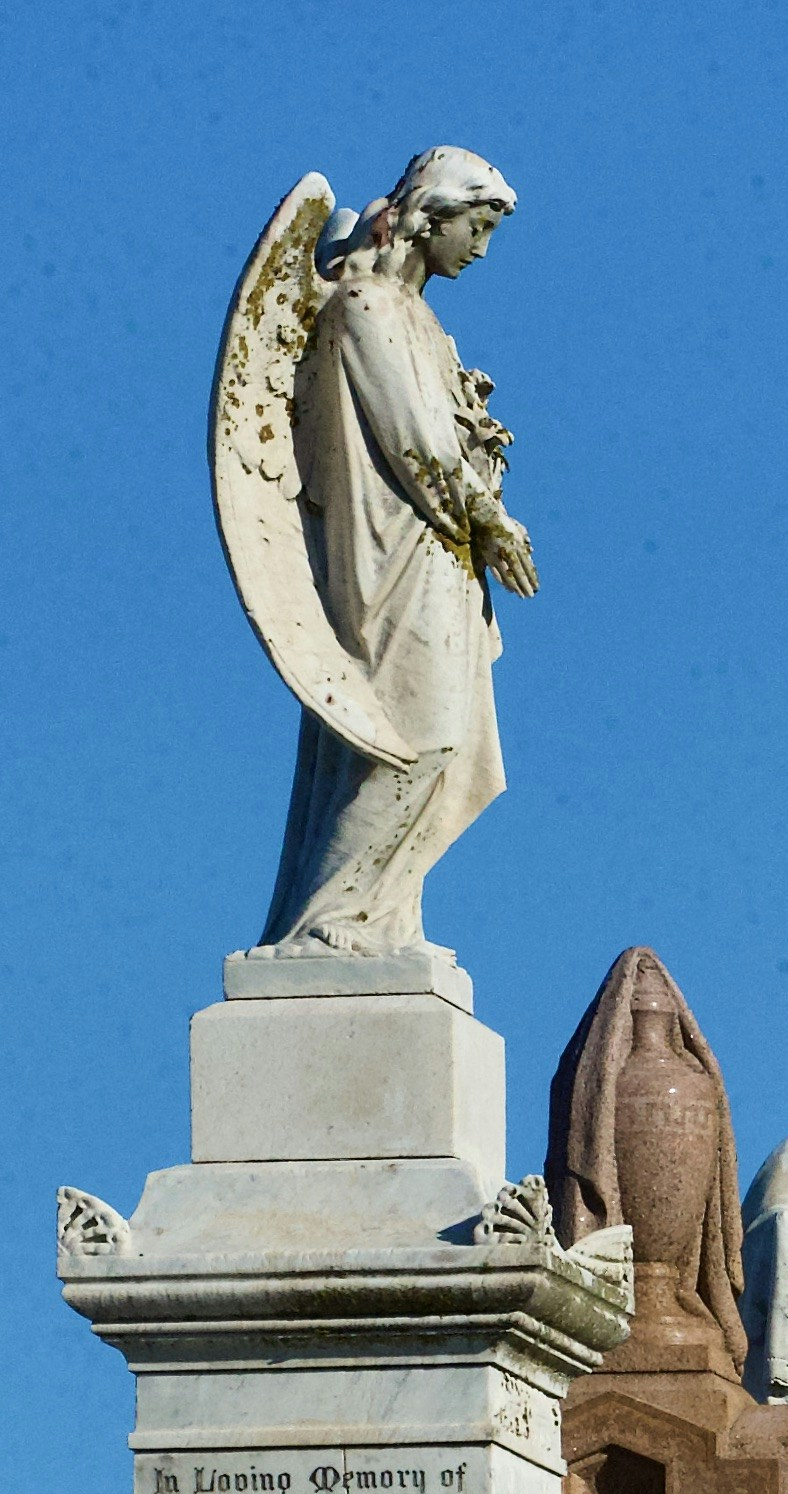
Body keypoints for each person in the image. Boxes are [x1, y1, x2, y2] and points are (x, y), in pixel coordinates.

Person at [264, 147, 532, 953]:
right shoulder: (364, 308)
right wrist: (490, 516)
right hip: (391, 554)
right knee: (417, 737)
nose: (481, 249)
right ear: (431, 215)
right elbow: (413, 445)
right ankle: (325, 923)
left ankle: (385, 915)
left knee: (454, 756)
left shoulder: (421, 321)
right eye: (476, 226)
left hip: (440, 559)